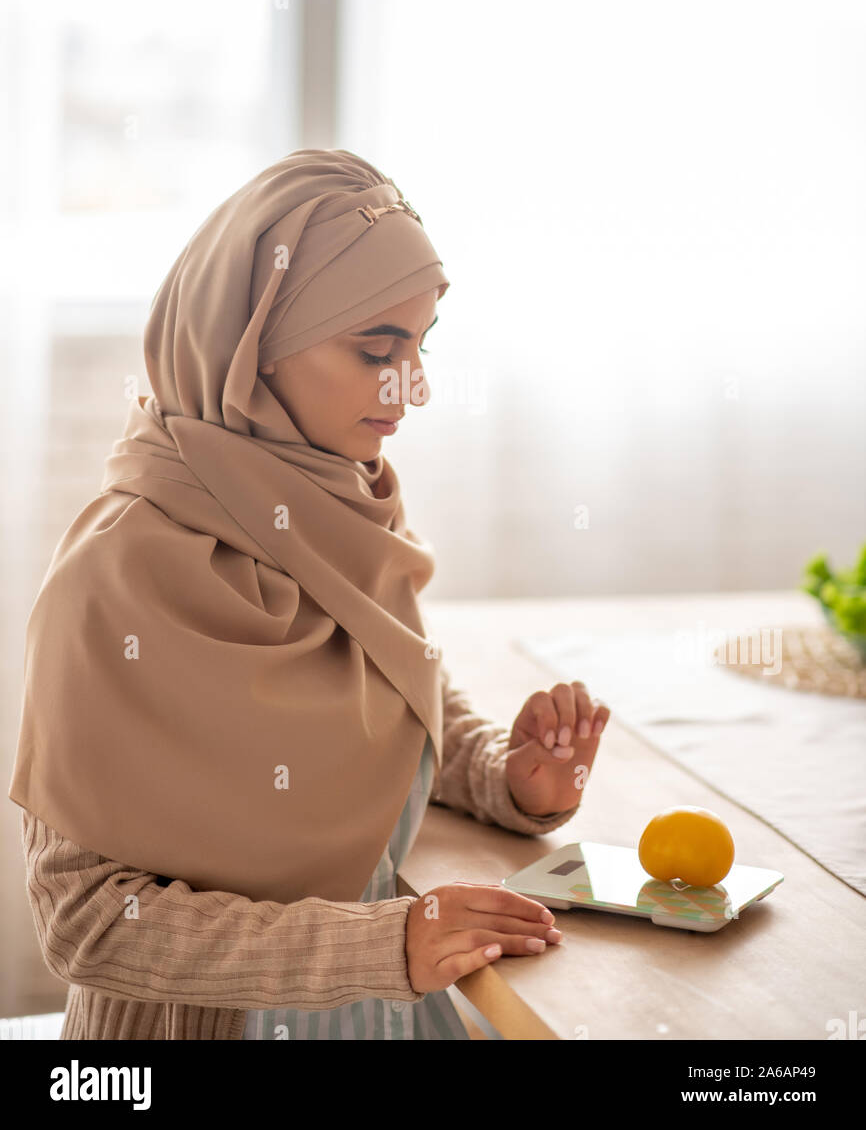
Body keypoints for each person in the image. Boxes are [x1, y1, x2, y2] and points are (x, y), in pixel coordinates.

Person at [8, 147, 609, 1040]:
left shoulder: (338, 506)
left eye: (422, 344)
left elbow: (401, 691)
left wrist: (504, 777)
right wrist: (383, 946)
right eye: (378, 348)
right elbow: (87, 918)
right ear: (252, 347)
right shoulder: (117, 571)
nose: (417, 386)